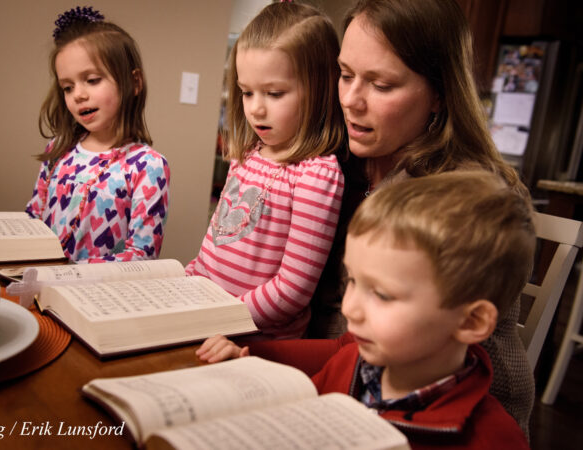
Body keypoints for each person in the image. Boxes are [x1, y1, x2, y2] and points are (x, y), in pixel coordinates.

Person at [302, 0, 535, 435]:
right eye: (346, 74)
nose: (351, 101)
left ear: (439, 94)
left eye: (382, 85)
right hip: (342, 376)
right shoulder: (340, 164)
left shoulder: (465, 194)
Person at [198, 171, 533, 449]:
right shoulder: (349, 365)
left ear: (471, 320)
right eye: (354, 281)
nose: (350, 309)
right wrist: (251, 358)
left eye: (383, 295)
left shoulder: (494, 439)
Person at [185, 2, 346, 339]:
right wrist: (189, 279)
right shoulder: (246, 154)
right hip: (206, 318)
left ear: (320, 89)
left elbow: (292, 290)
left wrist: (224, 317)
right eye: (247, 92)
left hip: (255, 340)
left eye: (274, 93)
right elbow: (217, 238)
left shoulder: (316, 175)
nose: (256, 109)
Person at [26, 6, 169, 263]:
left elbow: (141, 254)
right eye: (68, 87)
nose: (78, 94)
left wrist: (73, 274)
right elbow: (34, 216)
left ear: (134, 83)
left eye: (91, 80)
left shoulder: (148, 166)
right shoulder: (57, 149)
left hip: (97, 297)